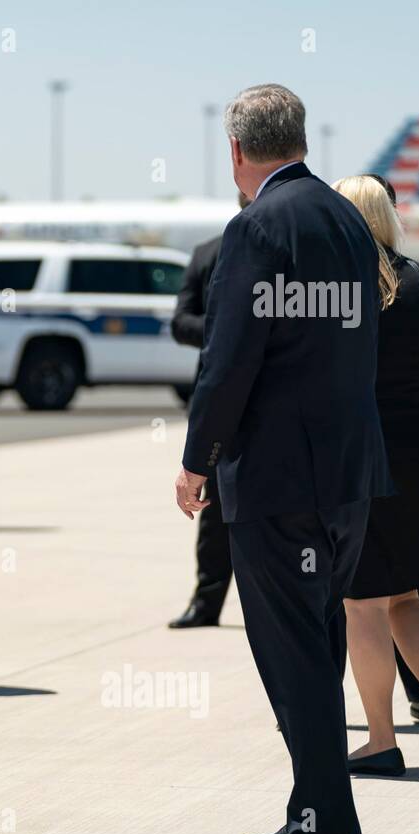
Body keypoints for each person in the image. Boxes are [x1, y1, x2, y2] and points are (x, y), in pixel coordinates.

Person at [175, 84, 391, 834]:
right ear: (297, 136)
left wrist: (197, 458)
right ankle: (308, 807)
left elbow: (228, 360)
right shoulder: (345, 217)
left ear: (236, 151)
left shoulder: (257, 226)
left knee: (293, 654)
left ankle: (326, 830)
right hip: (346, 473)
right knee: (317, 641)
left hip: (279, 478)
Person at [331, 175, 419, 776]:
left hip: (356, 458)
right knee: (408, 596)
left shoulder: (336, 287)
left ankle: (381, 740)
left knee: (360, 605)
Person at [167, 191, 248, 629]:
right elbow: (179, 322)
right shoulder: (207, 254)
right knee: (213, 511)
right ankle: (207, 602)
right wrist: (227, 329)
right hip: (218, 399)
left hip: (273, 405)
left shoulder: (288, 252)